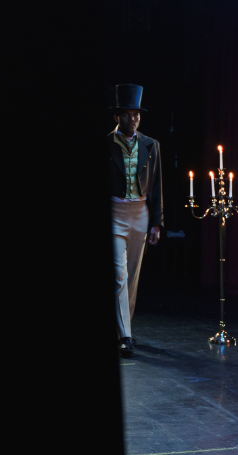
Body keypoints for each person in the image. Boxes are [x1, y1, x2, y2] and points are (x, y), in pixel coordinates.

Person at [108, 83, 163, 358]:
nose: (134, 119)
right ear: (117, 116)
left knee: (132, 278)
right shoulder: (107, 144)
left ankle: (122, 330)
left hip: (140, 213)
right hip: (115, 213)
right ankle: (126, 336)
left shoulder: (151, 145)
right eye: (128, 114)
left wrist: (156, 222)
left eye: (137, 114)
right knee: (118, 275)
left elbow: (157, 186)